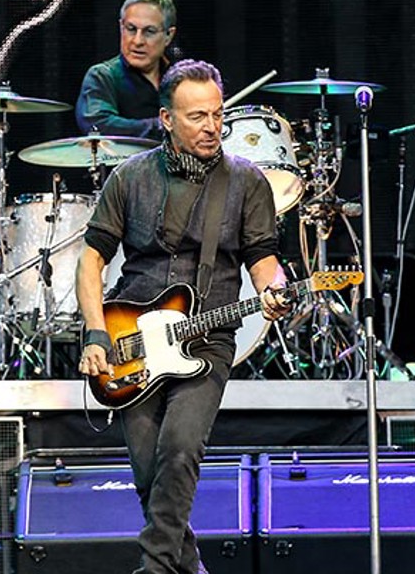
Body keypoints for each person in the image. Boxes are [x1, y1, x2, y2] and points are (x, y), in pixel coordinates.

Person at [74, 59, 291, 574]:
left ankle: (153, 568)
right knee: (148, 471)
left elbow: (263, 260)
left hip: (209, 337)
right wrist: (96, 335)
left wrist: (275, 289)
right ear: (167, 119)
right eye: (197, 117)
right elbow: (91, 261)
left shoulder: (247, 183)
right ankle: (188, 567)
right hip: (132, 339)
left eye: (217, 114)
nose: (212, 127)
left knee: (179, 451)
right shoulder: (128, 179)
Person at [75, 0, 178, 139]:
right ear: (121, 27)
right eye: (131, 29)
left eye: (149, 31)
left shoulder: (182, 78)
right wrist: (167, 125)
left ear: (169, 35)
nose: (137, 41)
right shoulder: (102, 76)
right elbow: (98, 125)